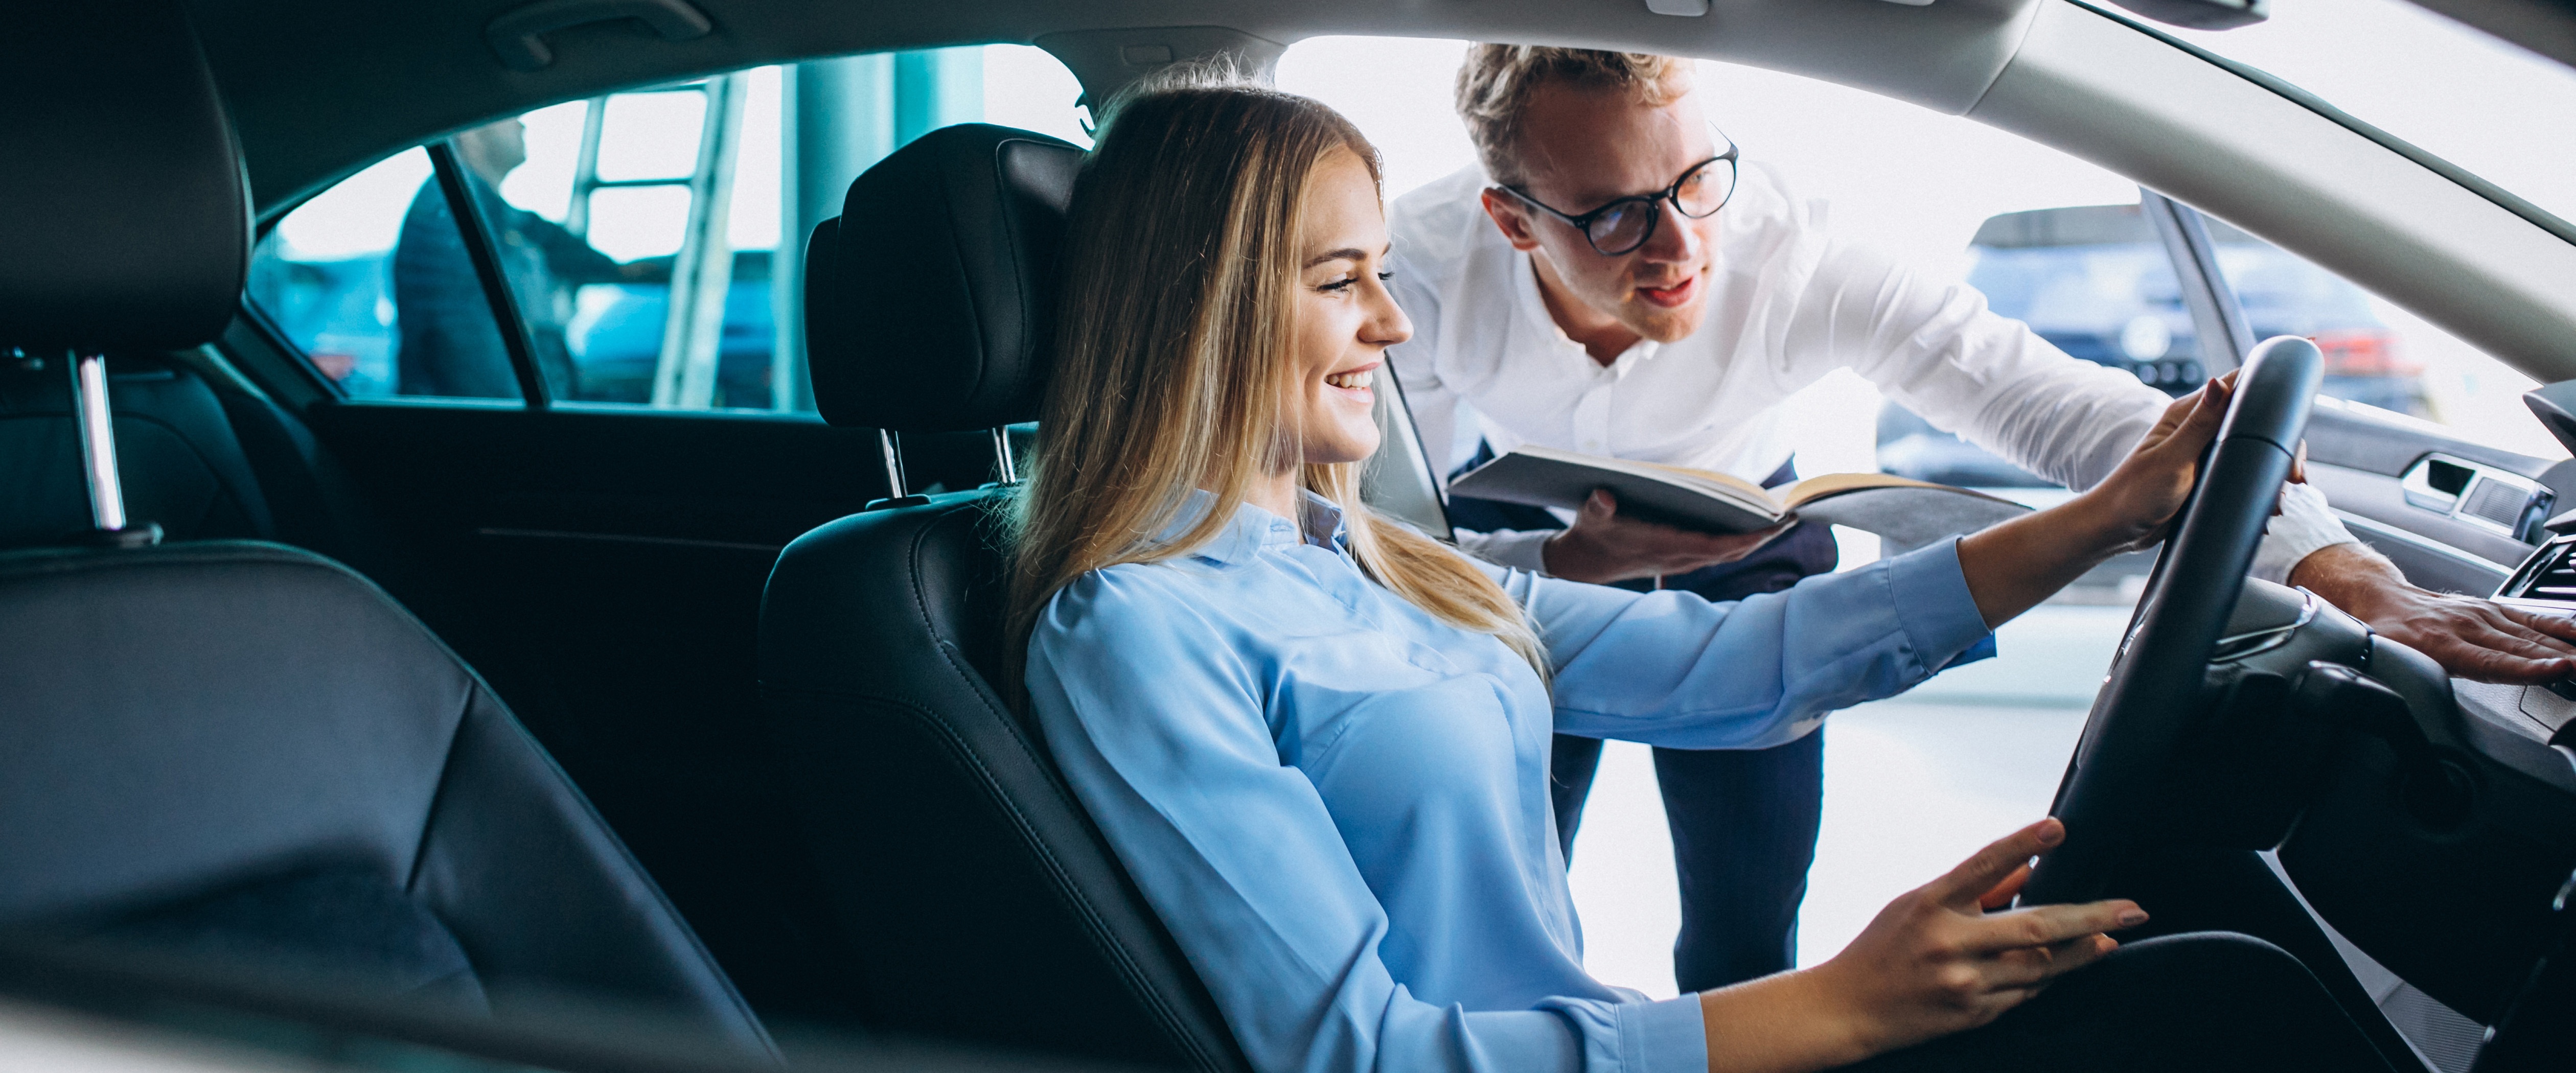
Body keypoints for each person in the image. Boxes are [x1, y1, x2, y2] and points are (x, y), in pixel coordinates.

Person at [1009, 75, 2388, 1073]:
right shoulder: (1135, 624)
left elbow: (1742, 666)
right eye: (1338, 280)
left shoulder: (1377, 561)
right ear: (1204, 301)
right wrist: (1846, 1002)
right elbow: (1365, 1053)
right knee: (2208, 1007)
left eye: (1380, 268)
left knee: (2201, 981)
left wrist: (2099, 518)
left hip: (1604, 1036)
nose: (1394, 315)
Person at [1384, 46, 2576, 991]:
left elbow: (2055, 403)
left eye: (1699, 180)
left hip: (1751, 544)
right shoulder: (1418, 271)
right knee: (1506, 897)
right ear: (1512, 219)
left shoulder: (1794, 255)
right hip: (1530, 559)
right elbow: (1391, 531)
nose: (1685, 246)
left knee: (1744, 919)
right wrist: (1559, 555)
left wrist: (2358, 580)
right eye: (1615, 216)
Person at [394, 118, 628, 399]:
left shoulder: (491, 214)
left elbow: (565, 250)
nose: (522, 123)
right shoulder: (451, 214)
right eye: (508, 115)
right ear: (470, 132)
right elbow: (463, 344)